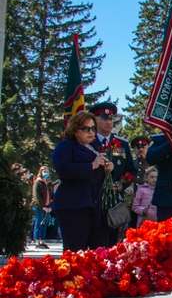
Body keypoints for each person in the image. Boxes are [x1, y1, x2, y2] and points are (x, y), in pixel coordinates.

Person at [50, 111, 113, 251]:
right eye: (86, 129)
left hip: (95, 206)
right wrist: (92, 165)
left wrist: (107, 169)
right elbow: (62, 169)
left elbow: (96, 176)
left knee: (100, 250)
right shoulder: (66, 145)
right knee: (76, 251)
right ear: (75, 130)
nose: (91, 132)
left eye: (93, 128)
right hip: (74, 204)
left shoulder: (94, 149)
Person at [89, 102, 135, 246]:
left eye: (110, 119)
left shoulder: (122, 144)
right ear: (94, 120)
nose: (108, 122)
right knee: (94, 244)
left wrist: (122, 184)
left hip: (113, 203)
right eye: (104, 118)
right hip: (92, 199)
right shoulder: (88, 142)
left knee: (112, 244)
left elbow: (131, 171)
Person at [30, 166, 53, 249]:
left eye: (47, 171)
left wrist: (50, 206)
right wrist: (42, 206)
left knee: (44, 225)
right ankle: (37, 241)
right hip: (39, 207)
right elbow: (36, 196)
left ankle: (42, 241)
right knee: (38, 224)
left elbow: (51, 195)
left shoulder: (49, 183)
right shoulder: (38, 182)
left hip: (47, 207)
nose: (46, 172)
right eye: (44, 171)